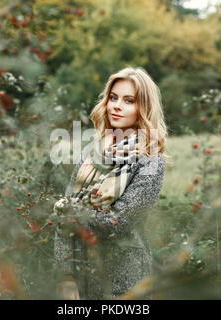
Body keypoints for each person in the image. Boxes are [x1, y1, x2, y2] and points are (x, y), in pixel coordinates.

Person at [53, 66, 168, 300]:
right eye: (113, 98)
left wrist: (69, 209)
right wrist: (65, 276)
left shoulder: (150, 160)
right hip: (80, 275)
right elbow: (61, 220)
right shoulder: (91, 152)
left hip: (124, 280)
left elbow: (118, 223)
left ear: (143, 108)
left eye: (129, 100)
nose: (116, 105)